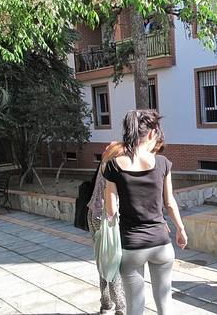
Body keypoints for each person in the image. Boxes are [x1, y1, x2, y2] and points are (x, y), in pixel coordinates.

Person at [103, 109, 187, 315]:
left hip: (132, 246)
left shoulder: (113, 166)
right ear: (151, 133)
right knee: (165, 302)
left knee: (134, 306)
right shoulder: (162, 163)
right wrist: (180, 229)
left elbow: (111, 210)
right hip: (161, 243)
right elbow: (170, 203)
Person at [87, 142, 126, 315]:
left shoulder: (103, 164)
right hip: (106, 218)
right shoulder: (113, 168)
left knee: (102, 262)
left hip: (93, 215)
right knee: (113, 262)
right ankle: (121, 307)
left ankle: (105, 304)